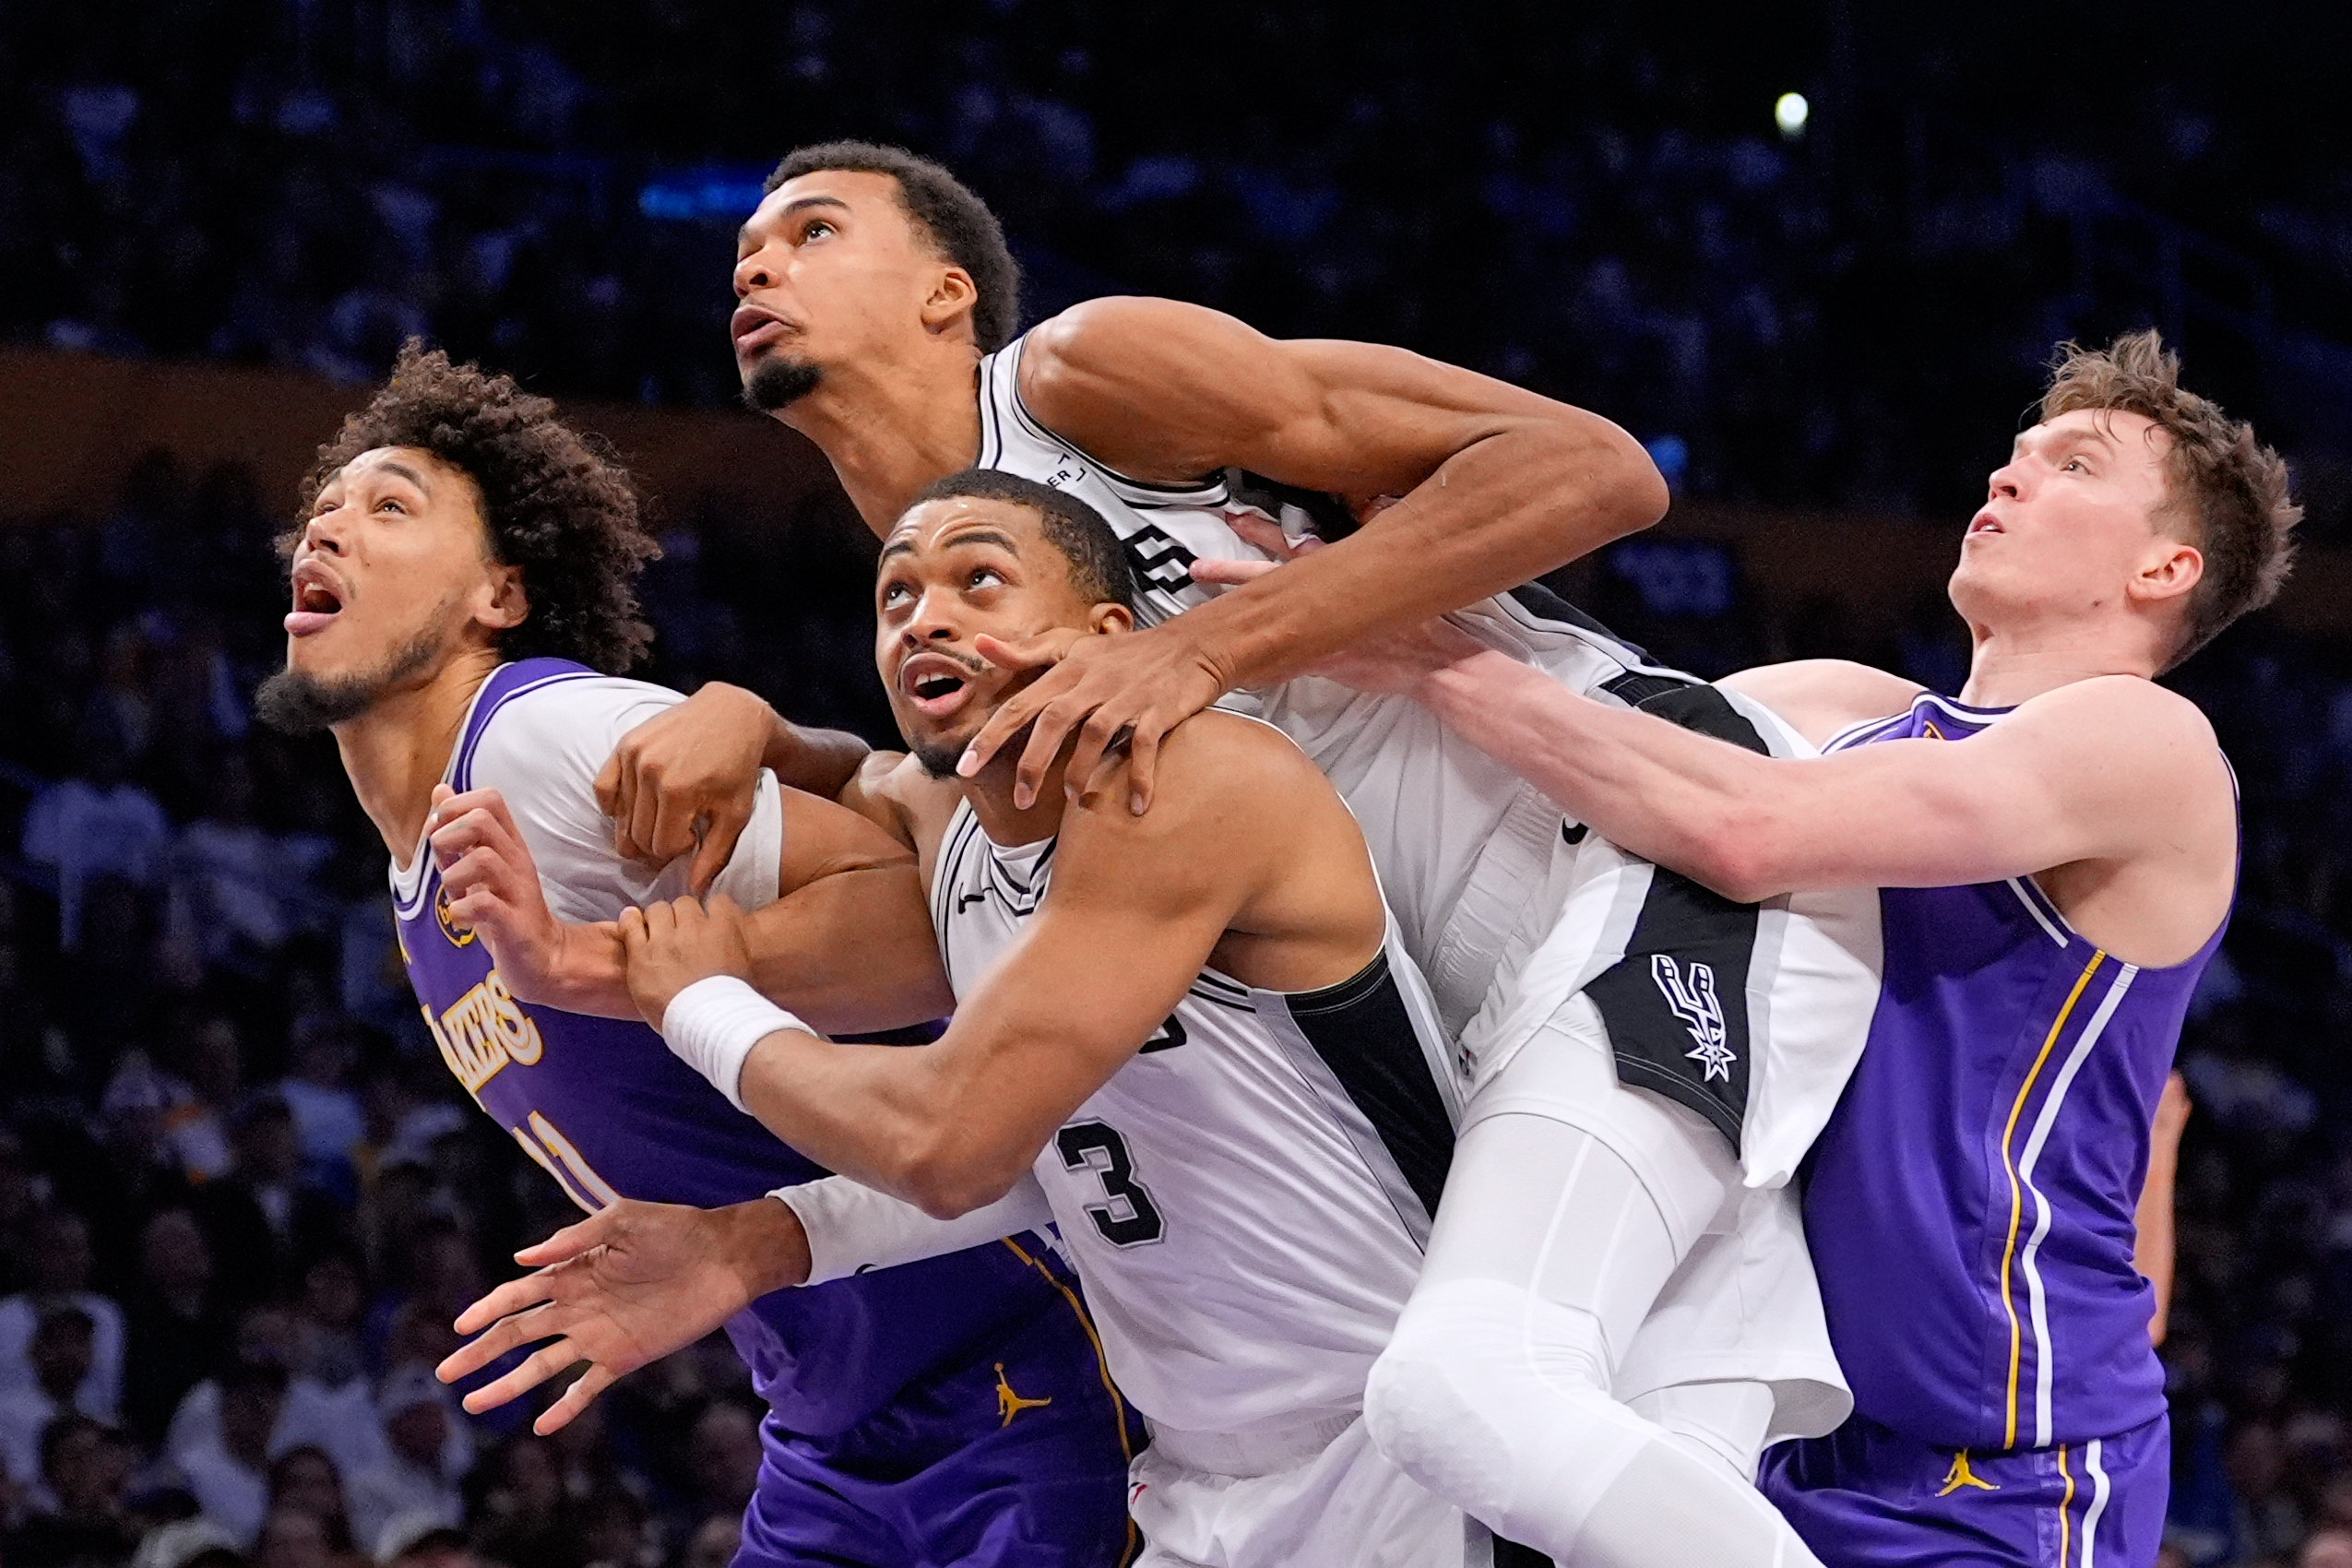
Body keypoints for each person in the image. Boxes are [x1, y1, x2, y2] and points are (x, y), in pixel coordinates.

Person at [596, 141, 1879, 1565]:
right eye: (743, 257)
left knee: (1476, 1395)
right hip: (1458, 1007)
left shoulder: (1078, 380)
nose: (755, 267)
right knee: (1557, 1454)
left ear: (947, 291)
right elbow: (936, 876)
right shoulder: (947, 602)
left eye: (813, 233)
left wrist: (1202, 645)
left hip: (1625, 852)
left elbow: (1593, 469)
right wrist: (755, 729)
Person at [1281, 330, 2287, 1566]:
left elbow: (1743, 829)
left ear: (2164, 566)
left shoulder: (2148, 744)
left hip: (2003, 1457)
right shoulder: (1846, 706)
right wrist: (1406, 559)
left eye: (2071, 466)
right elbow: (1603, 740)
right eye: (2013, 455)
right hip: (1789, 1411)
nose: (2008, 478)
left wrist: (1436, 659)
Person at [438, 472, 1481, 1567]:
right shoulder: (949, 828)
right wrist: (736, 718)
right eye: (895, 598)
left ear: (1109, 632)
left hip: (1400, 1439)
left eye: (979, 579)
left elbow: (950, 1145)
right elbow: (851, 769)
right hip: (1202, 1476)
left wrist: (699, 1005)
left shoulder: (1189, 781)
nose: (925, 617)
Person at [255, 344, 1137, 1568]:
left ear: (496, 594)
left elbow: (928, 923)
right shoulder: (417, 874)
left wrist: (617, 964)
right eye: (321, 513)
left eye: (388, 506)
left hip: (1007, 1355)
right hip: (830, 1425)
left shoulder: (541, 736)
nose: (330, 530)